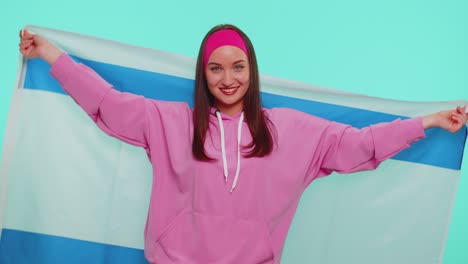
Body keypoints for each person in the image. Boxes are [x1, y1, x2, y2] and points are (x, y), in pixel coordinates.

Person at [18, 24, 467, 264]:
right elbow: (108, 104)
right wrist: (51, 54)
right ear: (203, 74)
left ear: (252, 69)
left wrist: (429, 121)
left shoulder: (293, 131)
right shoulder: (170, 122)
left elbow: (361, 145)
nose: (227, 79)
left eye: (237, 67)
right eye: (215, 69)